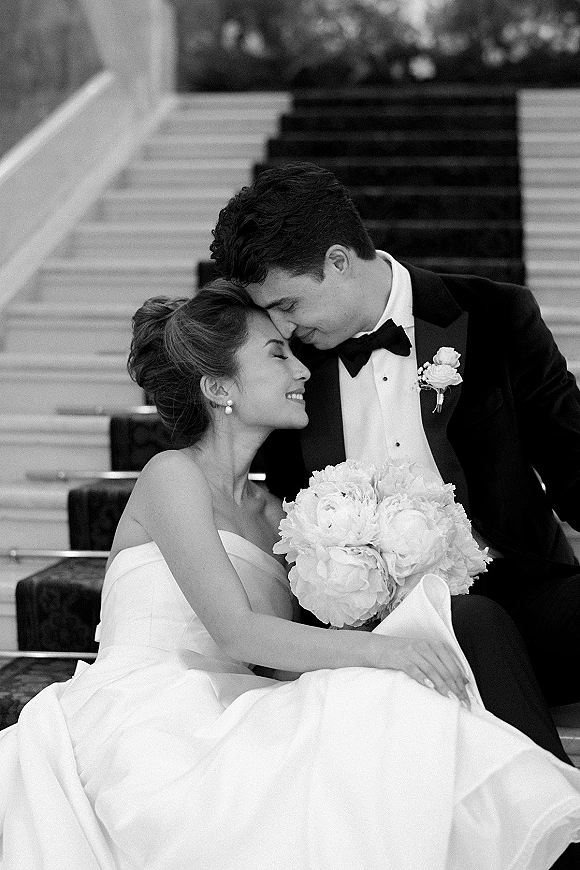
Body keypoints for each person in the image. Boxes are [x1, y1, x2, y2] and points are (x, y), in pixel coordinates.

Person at [1, 280, 580, 869]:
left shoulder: (282, 516)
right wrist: (387, 652)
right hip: (149, 711)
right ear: (218, 387)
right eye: (278, 354)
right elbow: (237, 634)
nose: (303, 369)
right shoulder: (171, 476)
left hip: (240, 700)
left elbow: (278, 661)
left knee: (388, 707)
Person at [209, 160, 580, 721]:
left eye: (287, 305)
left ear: (338, 261)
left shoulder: (496, 315)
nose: (282, 330)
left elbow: (574, 462)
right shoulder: (287, 373)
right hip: (371, 636)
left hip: (520, 596)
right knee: (473, 625)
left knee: (487, 620)